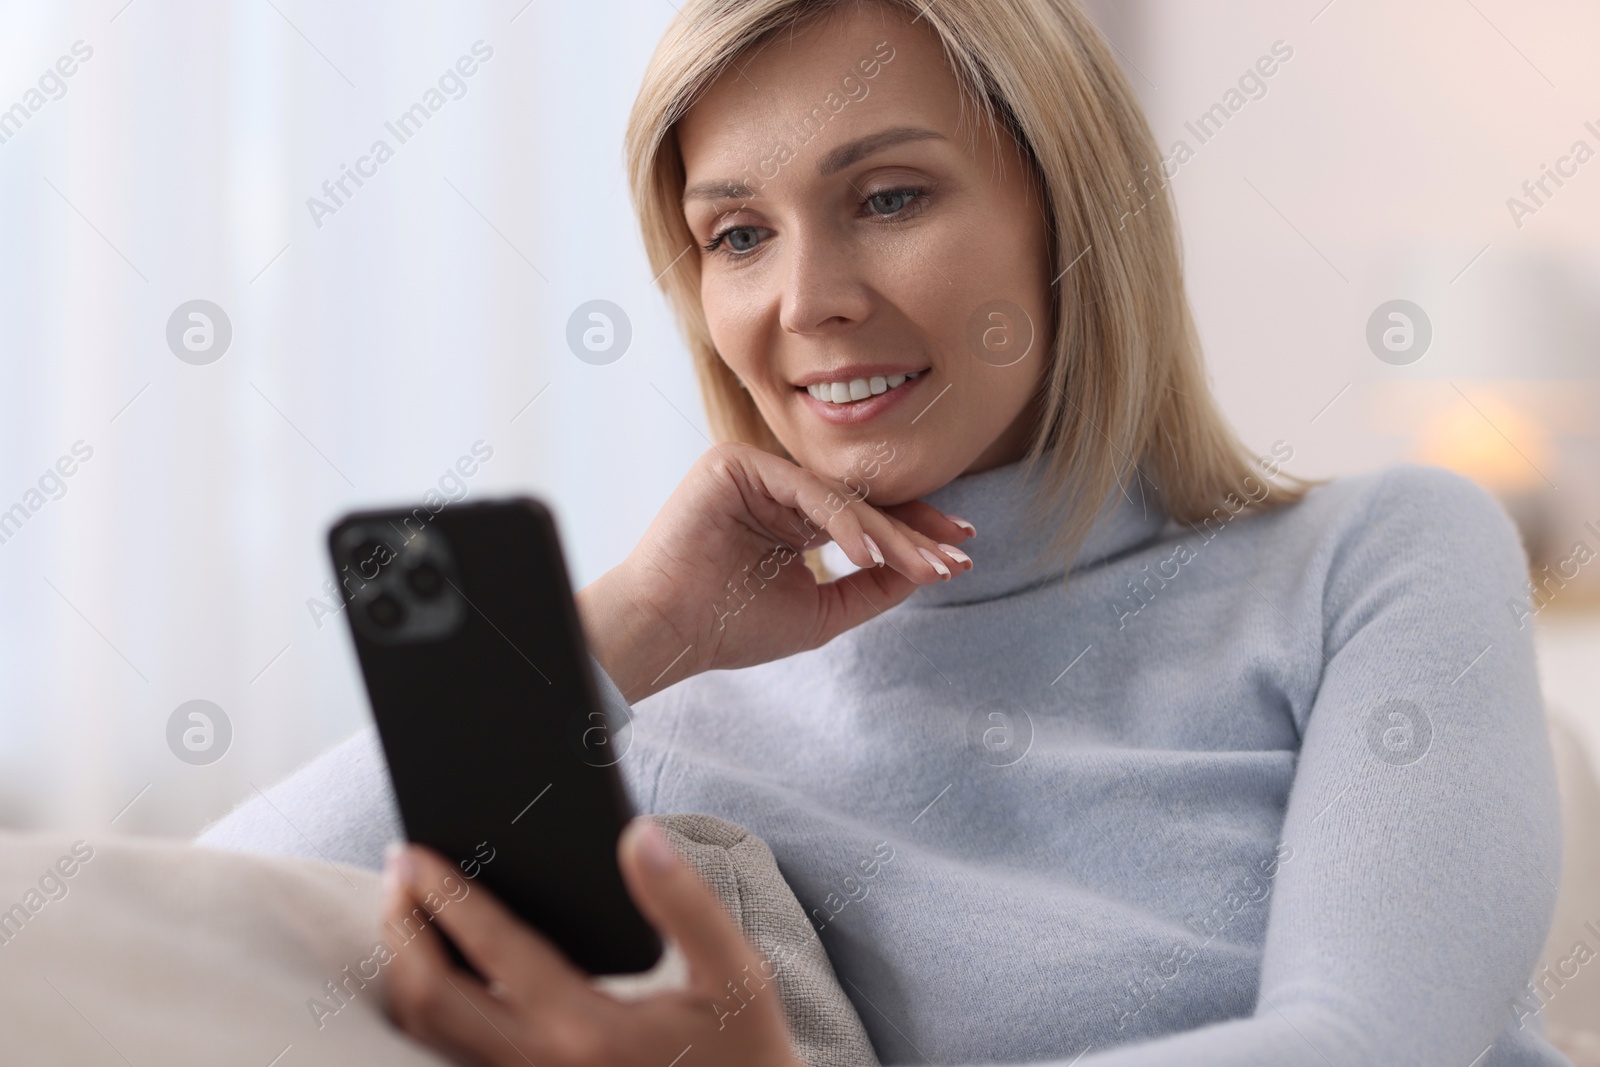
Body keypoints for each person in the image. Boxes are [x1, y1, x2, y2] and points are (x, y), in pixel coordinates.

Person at [199, 1, 1569, 1063]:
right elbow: (162, 946)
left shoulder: (1377, 556)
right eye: (736, 234)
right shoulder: (674, 704)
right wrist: (630, 633)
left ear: (1069, 216)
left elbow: (1371, 1049)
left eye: (889, 198)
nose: (807, 300)